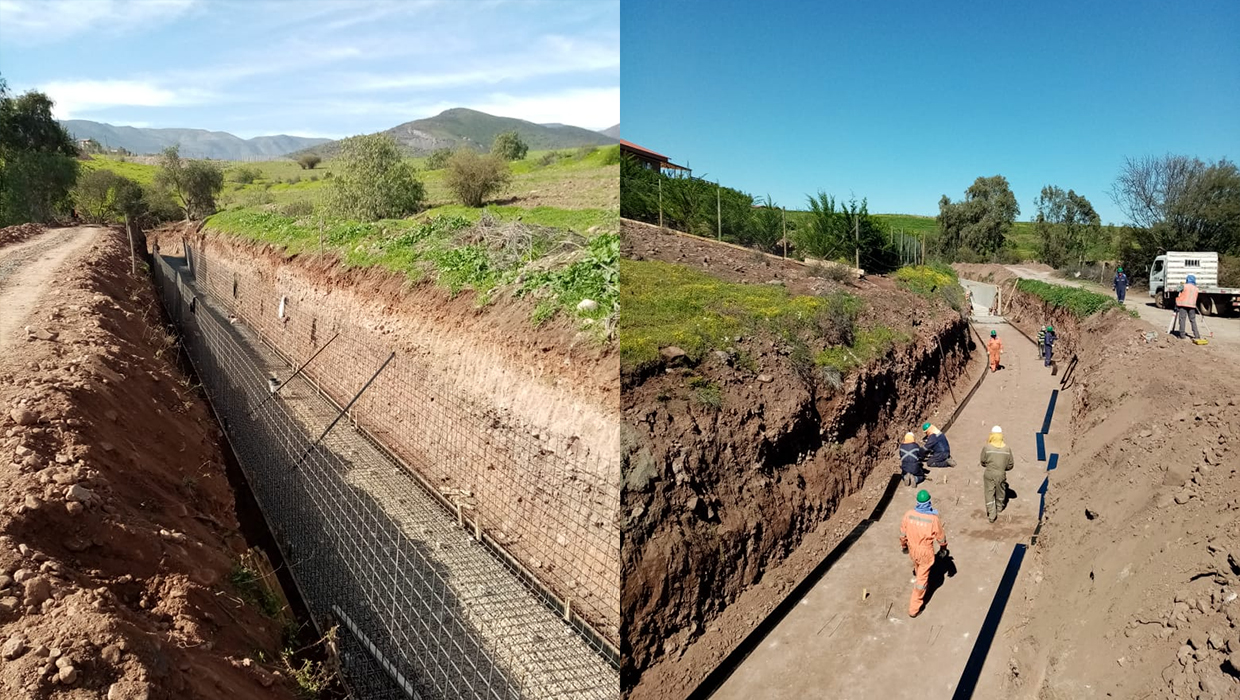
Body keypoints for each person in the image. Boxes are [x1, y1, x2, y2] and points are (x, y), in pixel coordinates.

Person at [900, 489, 948, 618]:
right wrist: (943, 549)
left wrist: (904, 546)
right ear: (928, 502)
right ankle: (914, 609)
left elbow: (902, 534)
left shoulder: (909, 514)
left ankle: (919, 577)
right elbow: (941, 538)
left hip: (912, 549)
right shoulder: (933, 519)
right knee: (922, 580)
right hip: (925, 551)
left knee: (918, 566)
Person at [980, 425, 1014, 523]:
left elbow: (982, 461)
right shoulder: (1007, 449)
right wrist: (1003, 468)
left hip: (989, 473)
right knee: (1001, 491)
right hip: (1001, 474)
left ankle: (992, 515)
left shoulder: (987, 448)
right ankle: (999, 508)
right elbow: (1011, 465)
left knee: (989, 493)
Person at [1175, 274, 1201, 341]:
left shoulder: (1184, 286)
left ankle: (1182, 335)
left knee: (1182, 320)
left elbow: (1177, 289)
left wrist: (1181, 285)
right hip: (1192, 305)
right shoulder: (1196, 288)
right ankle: (1197, 335)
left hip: (1183, 305)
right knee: (1193, 321)